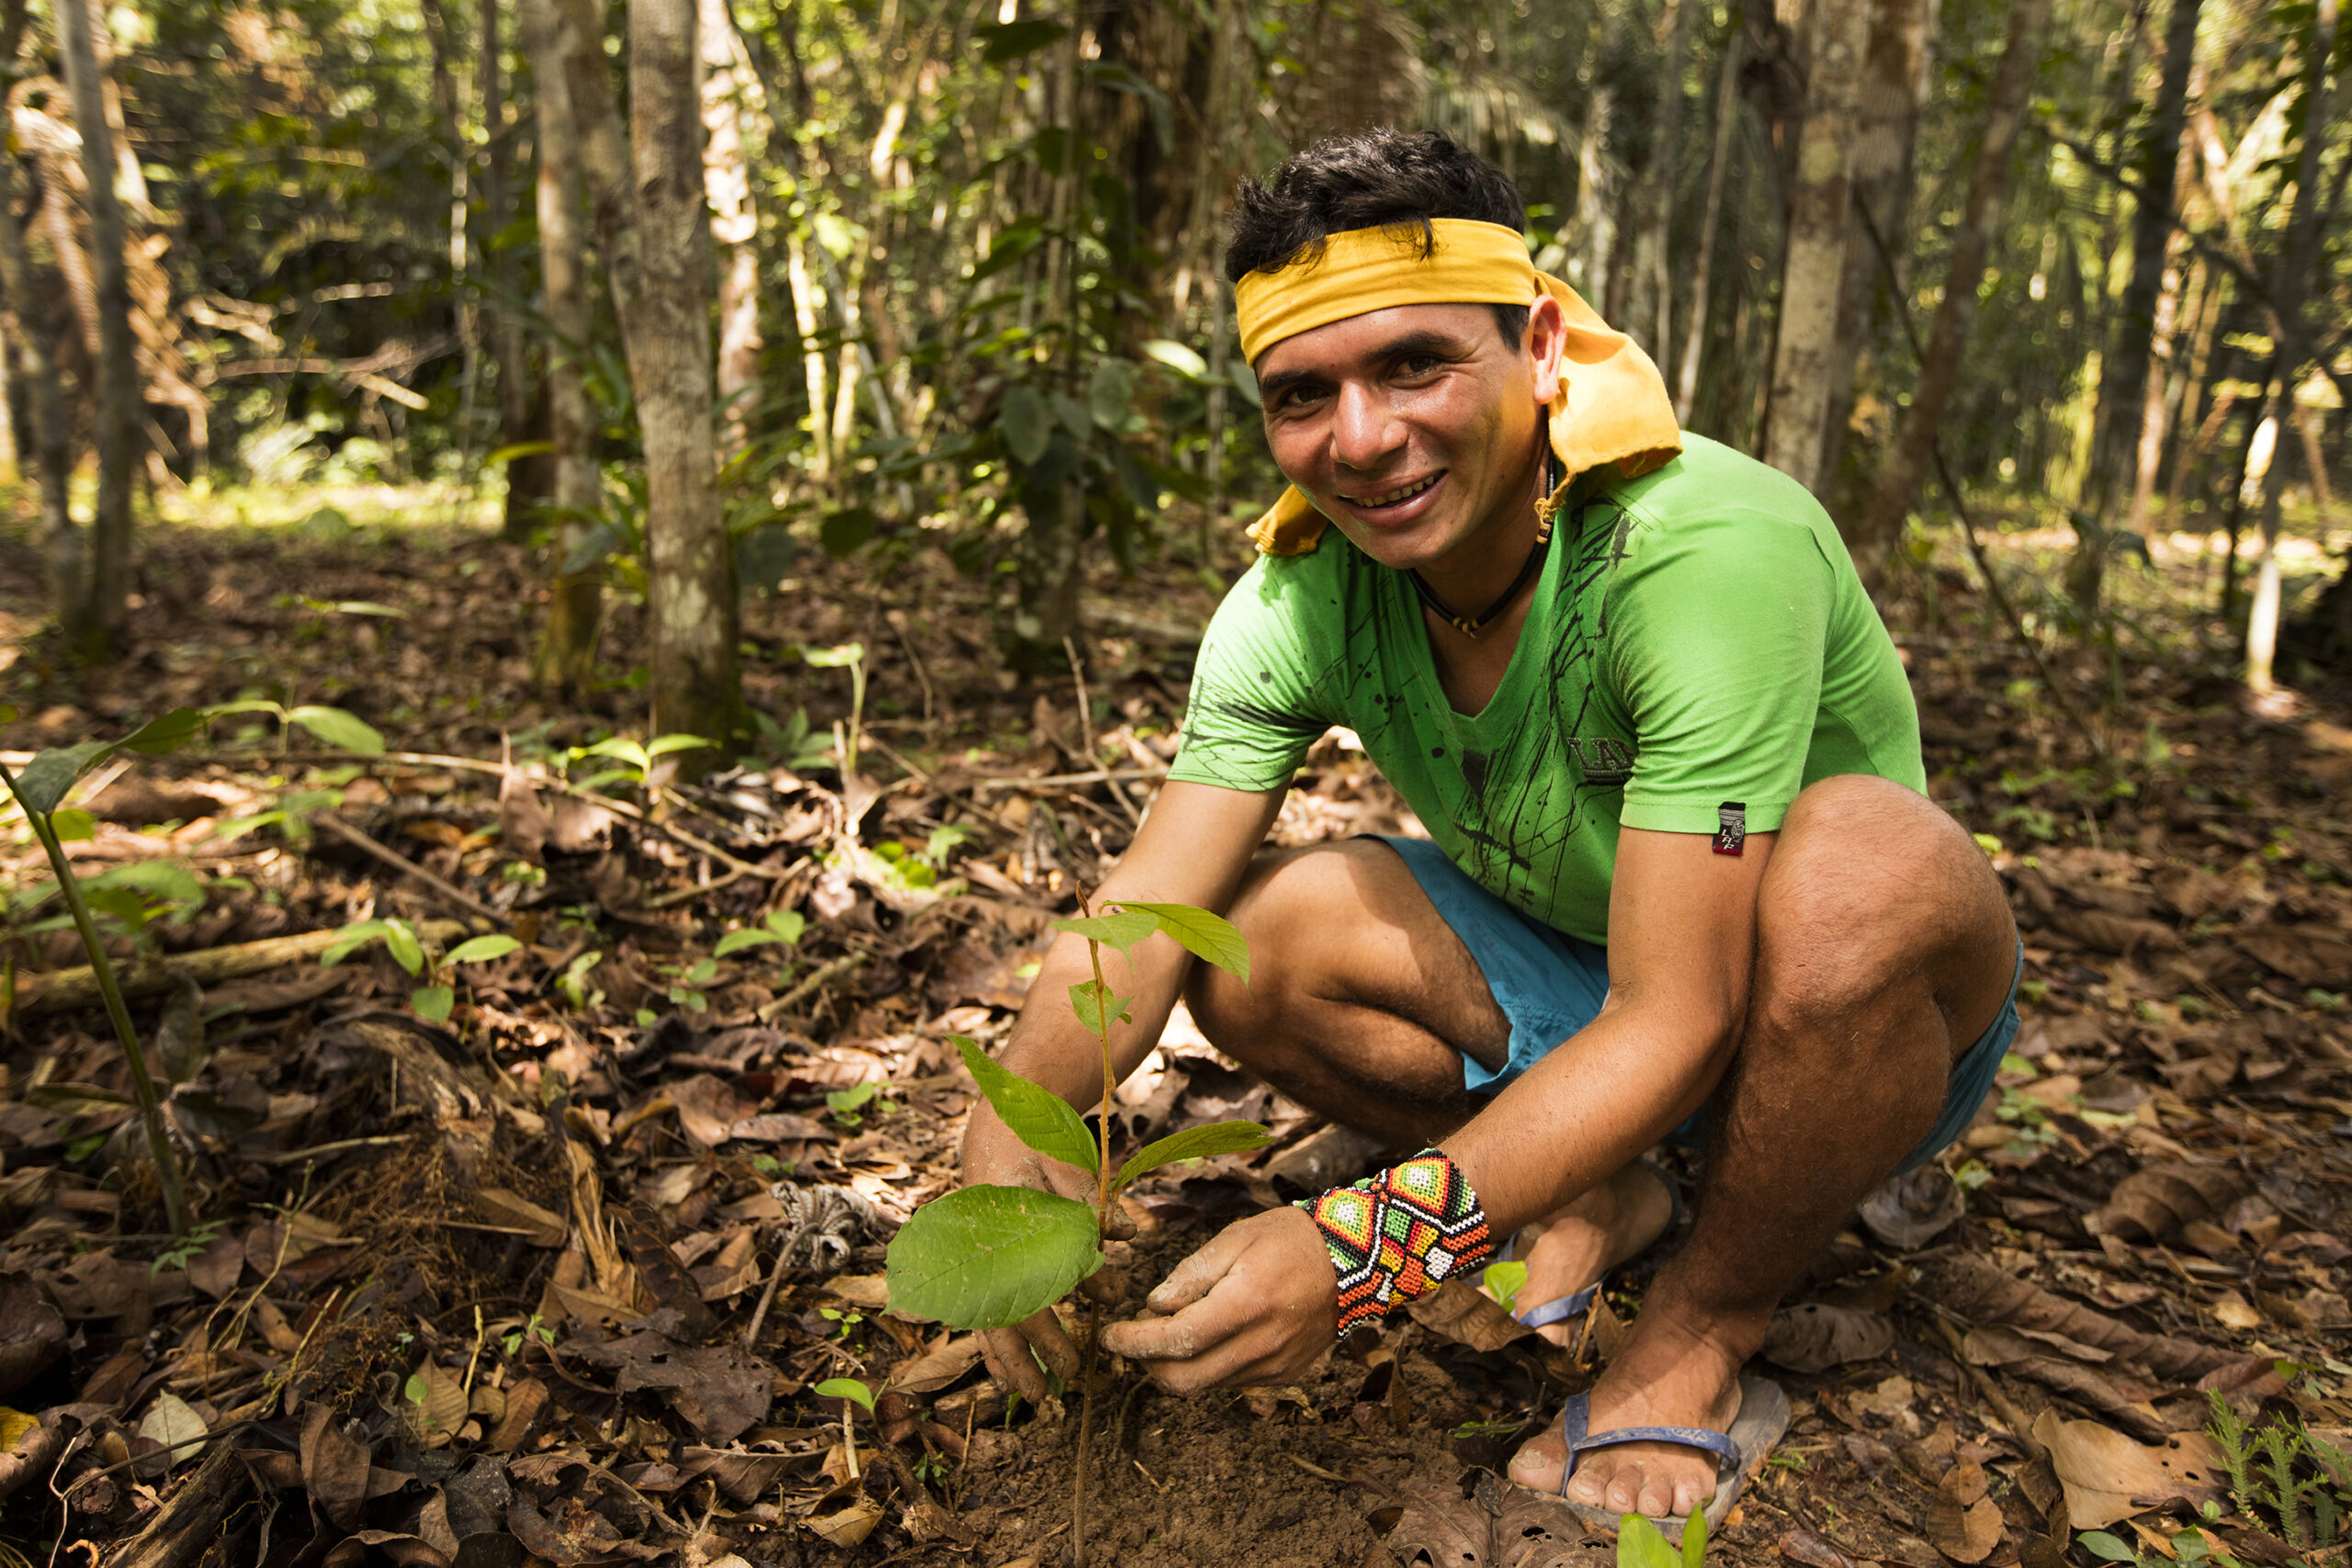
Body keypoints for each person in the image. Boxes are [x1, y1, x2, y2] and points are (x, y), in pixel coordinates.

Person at [957, 128, 2020, 1537]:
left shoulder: (1693, 553)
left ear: (1537, 343)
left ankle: (1705, 1320)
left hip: (1810, 1018)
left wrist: (1363, 1251)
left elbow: (1683, 1012)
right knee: (1249, 945)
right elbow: (1154, 895)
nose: (1362, 439)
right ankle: (1609, 1187)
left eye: (1415, 365)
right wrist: (1008, 1126)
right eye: (1301, 394)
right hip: (1596, 990)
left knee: (1857, 872)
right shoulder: (1301, 596)